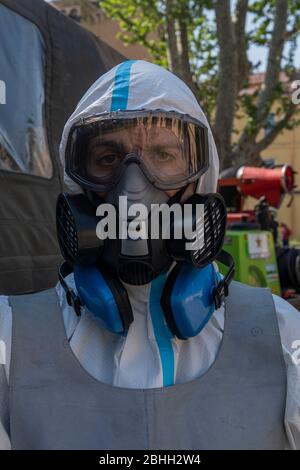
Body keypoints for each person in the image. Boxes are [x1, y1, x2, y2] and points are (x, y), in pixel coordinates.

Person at [0, 60, 300, 450]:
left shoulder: (283, 338)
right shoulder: (10, 340)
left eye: (164, 155)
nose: (134, 188)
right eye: (108, 159)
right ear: (78, 184)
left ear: (198, 178)